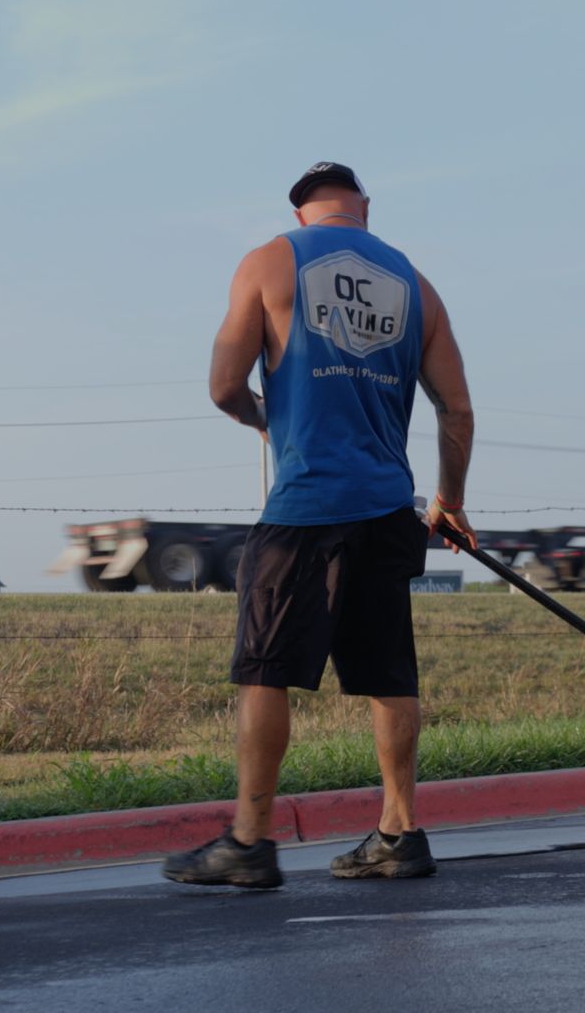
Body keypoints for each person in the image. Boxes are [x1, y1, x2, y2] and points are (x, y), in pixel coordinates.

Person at [163, 161, 476, 889]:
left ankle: (249, 843)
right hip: (386, 507)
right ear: (363, 208)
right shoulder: (415, 285)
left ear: (301, 211)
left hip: (305, 507)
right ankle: (400, 833)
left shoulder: (271, 260)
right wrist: (450, 502)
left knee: (265, 670)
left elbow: (222, 386)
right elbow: (456, 410)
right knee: (388, 673)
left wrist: (268, 423)